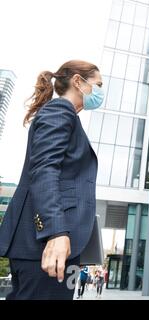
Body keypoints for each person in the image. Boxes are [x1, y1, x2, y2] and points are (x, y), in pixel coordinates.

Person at [0, 60, 104, 300]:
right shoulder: (59, 111)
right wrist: (56, 232)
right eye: (98, 84)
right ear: (78, 81)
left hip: (54, 246)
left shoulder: (66, 116)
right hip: (47, 244)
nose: (100, 91)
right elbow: (45, 170)